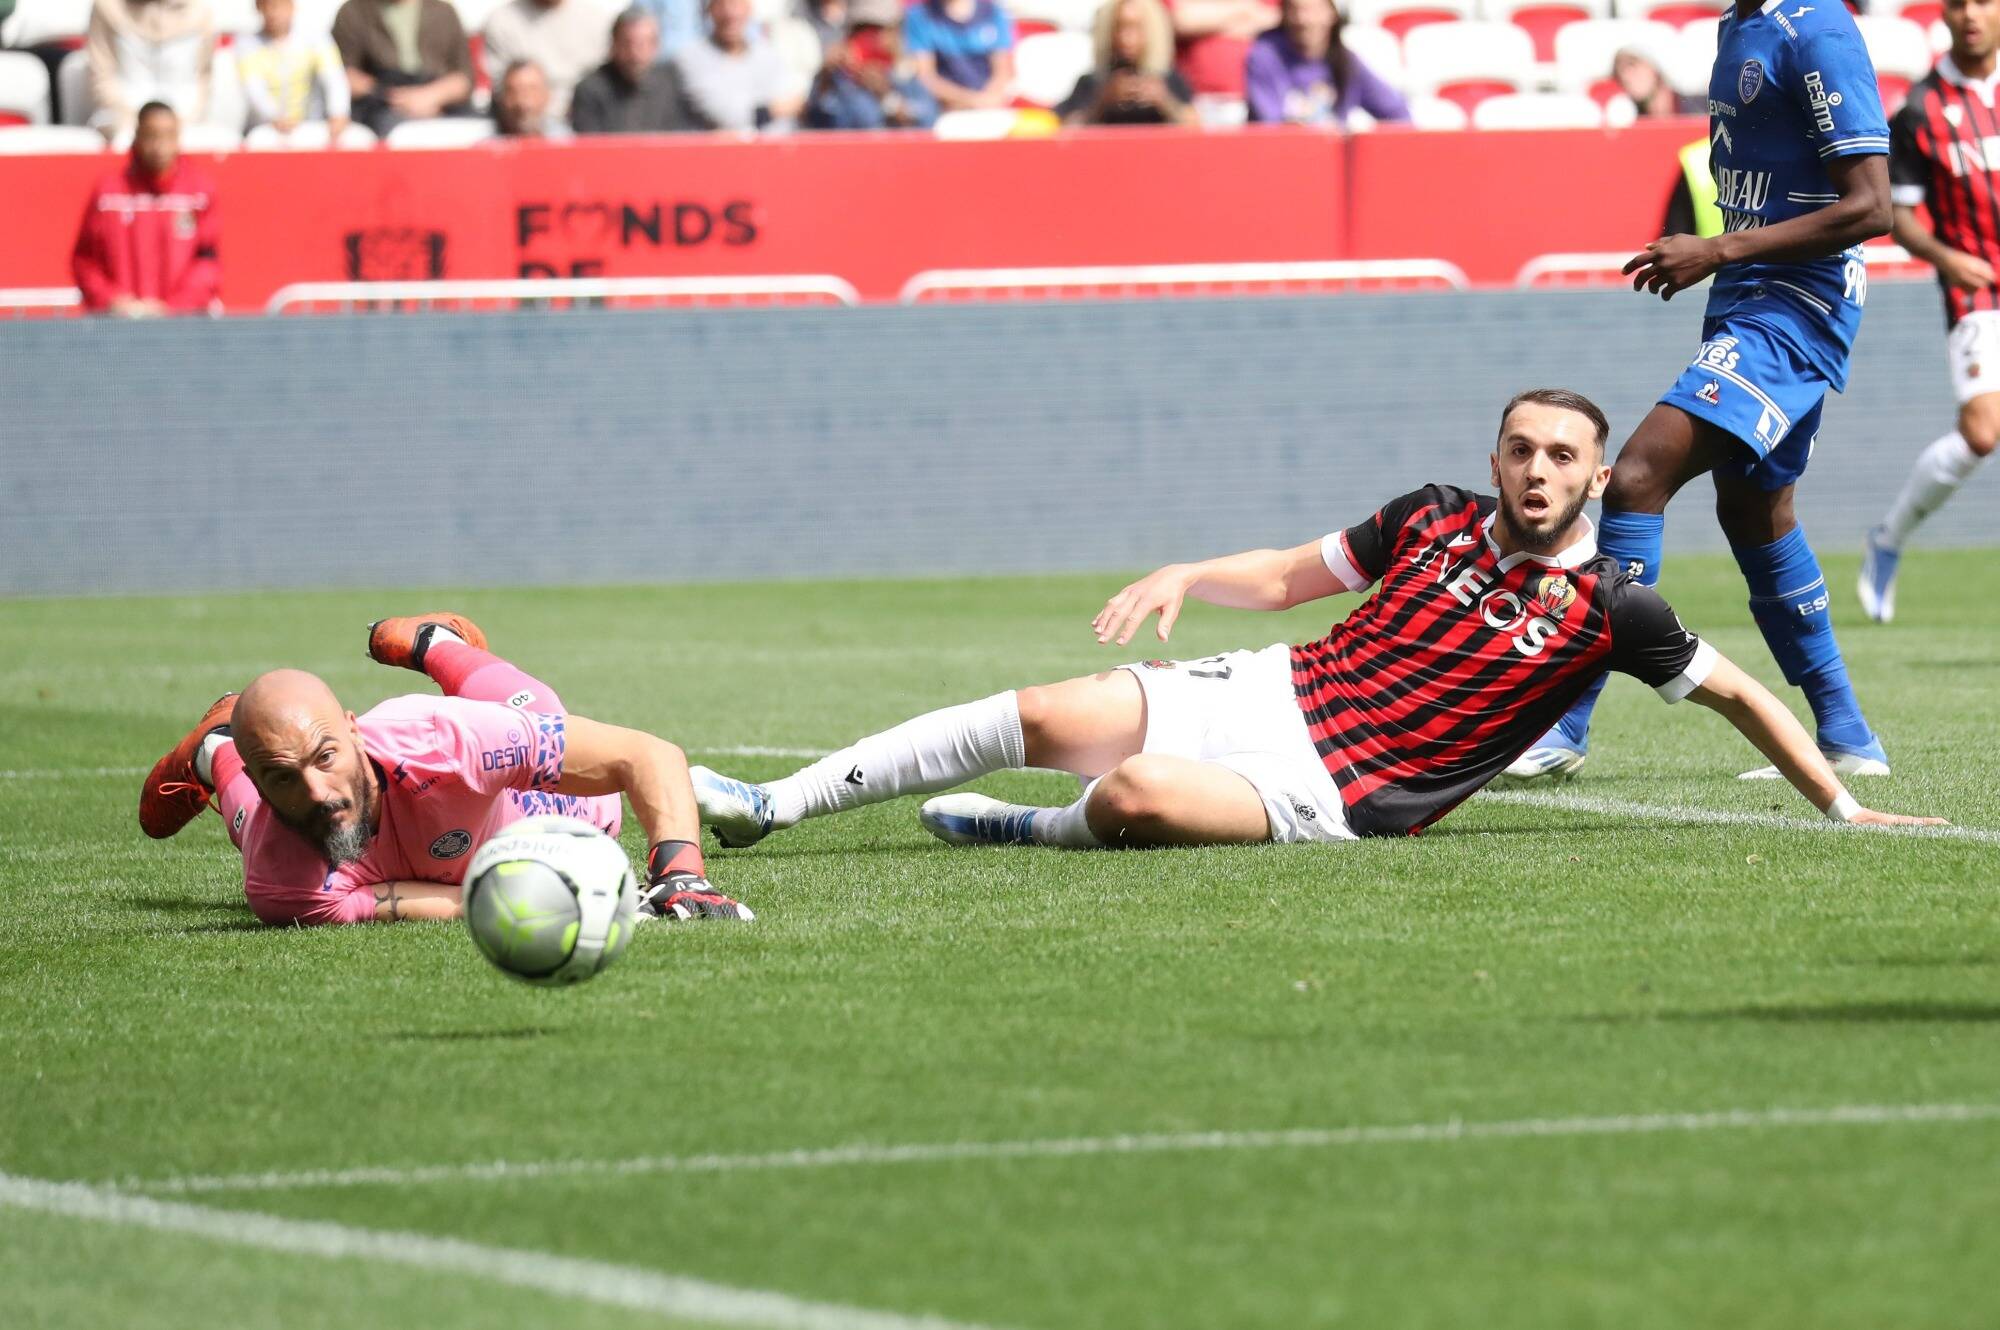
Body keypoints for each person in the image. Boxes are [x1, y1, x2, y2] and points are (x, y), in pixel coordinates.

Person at [691, 390, 1940, 856]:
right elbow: (1294, 576)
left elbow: (1740, 694)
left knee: (1132, 796)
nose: (1536, 469)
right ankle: (771, 803)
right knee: (1037, 709)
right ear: (1493, 458)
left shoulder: (1615, 609)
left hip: (1344, 789)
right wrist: (1186, 568)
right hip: (1266, 687)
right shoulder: (1433, 516)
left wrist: (1838, 800)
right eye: (1519, 448)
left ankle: (1028, 829)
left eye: (1561, 455)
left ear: (1597, 476)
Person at [1507, 0, 1896, 784]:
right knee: (1754, 511)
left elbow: (1872, 206)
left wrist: (1717, 247)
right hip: (1751, 296)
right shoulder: (1737, 25)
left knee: (1640, 475)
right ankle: (1850, 736)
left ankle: (1565, 720)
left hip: (1800, 304)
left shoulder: (1815, 29)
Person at [136, 614, 752, 927]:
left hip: (547, 808)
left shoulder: (442, 742)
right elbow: (397, 904)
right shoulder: (279, 882)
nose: (318, 792)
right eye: (282, 777)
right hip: (282, 822)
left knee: (534, 709)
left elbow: (648, 755)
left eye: (326, 758)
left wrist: (681, 877)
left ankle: (434, 641)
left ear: (353, 729)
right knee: (245, 815)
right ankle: (216, 747)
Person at [1859, 0, 1999, 622]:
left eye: (1983, 1)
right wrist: (1949, 258)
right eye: (1958, 2)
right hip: (1977, 288)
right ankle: (1888, 538)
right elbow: (1902, 217)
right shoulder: (1920, 109)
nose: (1971, 14)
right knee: (1982, 433)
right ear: (1942, 13)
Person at [71, 101, 219, 317]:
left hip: (181, 329)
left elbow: (207, 263)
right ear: (137, 136)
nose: (160, 146)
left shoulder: (199, 194)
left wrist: (173, 308)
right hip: (117, 330)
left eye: (168, 136)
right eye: (152, 136)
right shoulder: (109, 194)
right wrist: (112, 301)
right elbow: (85, 261)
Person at [1242, 0, 1404, 128]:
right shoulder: (1265, 56)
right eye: (1294, 9)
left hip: (1331, 163)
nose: (1303, 20)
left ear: (1332, 13)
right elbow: (1271, 127)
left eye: (1313, 9)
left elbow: (1398, 114)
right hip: (1282, 160)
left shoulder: (1346, 62)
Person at [331, 0, 476, 137]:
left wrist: (431, 97)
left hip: (442, 102)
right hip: (382, 102)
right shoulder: (355, 11)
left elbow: (464, 78)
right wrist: (385, 94)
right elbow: (341, 75)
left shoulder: (444, 13)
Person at [85, 0, 215, 138]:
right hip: (124, 119)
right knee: (125, 138)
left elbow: (203, 78)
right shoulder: (107, 7)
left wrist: (175, 124)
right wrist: (139, 123)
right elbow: (102, 77)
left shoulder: (200, 11)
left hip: (186, 119)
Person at [1056, 0, 1194, 127]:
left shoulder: (1168, 80)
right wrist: (1102, 103)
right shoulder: (1092, 82)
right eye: (1119, 28)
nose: (1126, 39)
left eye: (1136, 28)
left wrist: (1165, 102)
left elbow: (1197, 126)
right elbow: (1065, 129)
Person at [672, 0, 802, 129]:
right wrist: (773, 110)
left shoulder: (768, 54)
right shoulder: (691, 58)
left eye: (736, 4)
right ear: (709, 11)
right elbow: (724, 116)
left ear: (749, 9)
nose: (730, 13)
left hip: (774, 146)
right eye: (720, 5)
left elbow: (794, 103)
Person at [234, 0, 352, 140]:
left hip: (310, 126)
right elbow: (254, 89)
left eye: (279, 6)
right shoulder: (247, 44)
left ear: (292, 7)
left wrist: (338, 112)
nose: (274, 13)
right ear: (259, 9)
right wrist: (274, 117)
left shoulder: (316, 38)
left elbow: (334, 78)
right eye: (268, 7)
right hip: (266, 128)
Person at [481, 0, 614, 120]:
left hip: (588, 120)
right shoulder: (503, 20)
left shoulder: (595, 19)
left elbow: (605, 83)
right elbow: (502, 90)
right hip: (528, 122)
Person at [570, 7, 694, 132]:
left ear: (656, 46)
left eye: (642, 45)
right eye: (627, 44)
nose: (635, 54)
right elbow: (589, 144)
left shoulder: (671, 84)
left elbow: (681, 136)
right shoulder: (590, 89)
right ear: (614, 45)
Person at [803, 18, 938, 129]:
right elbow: (817, 116)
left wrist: (886, 96)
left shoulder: (905, 77)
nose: (870, 41)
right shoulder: (838, 81)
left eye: (878, 31)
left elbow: (926, 120)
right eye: (862, 32)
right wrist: (827, 75)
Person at [902, 0, 1014, 111]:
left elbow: (1002, 71)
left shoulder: (992, 11)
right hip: (945, 109)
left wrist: (987, 100)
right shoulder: (920, 16)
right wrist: (972, 100)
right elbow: (926, 76)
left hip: (991, 107)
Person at [1163, 0, 1273, 100]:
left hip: (1253, 99)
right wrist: (1244, 8)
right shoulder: (1244, 7)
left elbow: (1274, 20)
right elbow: (1181, 21)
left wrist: (1208, 24)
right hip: (1194, 99)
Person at [492, 56, 573, 134]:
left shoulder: (566, 140)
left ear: (547, 95)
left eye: (531, 90)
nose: (522, 102)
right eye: (513, 92)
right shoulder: (485, 141)